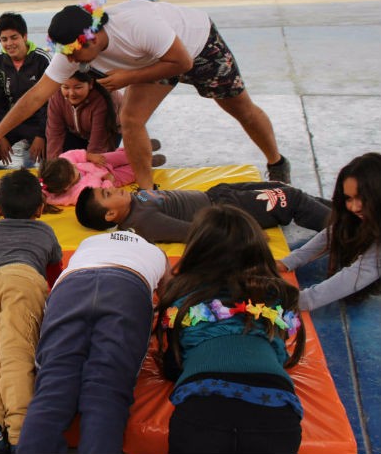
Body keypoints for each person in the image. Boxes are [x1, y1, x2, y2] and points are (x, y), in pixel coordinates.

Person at [0, 0, 291, 189]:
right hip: (150, 62)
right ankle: (148, 192)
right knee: (131, 118)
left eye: (76, 54)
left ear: (90, 39)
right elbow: (37, 94)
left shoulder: (136, 25)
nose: (72, 62)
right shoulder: (72, 51)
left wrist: (128, 78)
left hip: (196, 46)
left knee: (240, 109)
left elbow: (182, 61)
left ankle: (276, 161)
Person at [155, 205, 305, 454]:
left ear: (196, 252)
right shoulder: (272, 297)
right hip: (275, 410)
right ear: (259, 252)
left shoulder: (184, 300)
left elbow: (174, 366)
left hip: (203, 409)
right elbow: (280, 356)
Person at [18, 230, 170, 454]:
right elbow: (170, 292)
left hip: (72, 287)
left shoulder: (88, 242)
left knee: (54, 384)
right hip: (127, 288)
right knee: (107, 387)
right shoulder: (157, 252)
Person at [0, 170, 62, 454]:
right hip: (23, 280)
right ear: (41, 208)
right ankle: (21, 434)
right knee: (17, 356)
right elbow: (53, 275)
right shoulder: (45, 231)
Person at [278, 152, 381, 310]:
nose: (354, 207)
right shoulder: (363, 213)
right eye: (348, 198)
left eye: (362, 198)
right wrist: (288, 262)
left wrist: (298, 300)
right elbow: (335, 232)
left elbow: (361, 271)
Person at [75, 181, 331, 243]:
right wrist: (245, 234)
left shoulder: (133, 201)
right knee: (291, 199)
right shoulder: (144, 221)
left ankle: (348, 213)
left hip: (217, 194)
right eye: (107, 195)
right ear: (110, 216)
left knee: (283, 189)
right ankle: (350, 232)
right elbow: (195, 232)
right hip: (226, 210)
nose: (112, 188)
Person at [0, 13, 52, 166]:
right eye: (4, 39)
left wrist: (41, 135)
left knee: (53, 153)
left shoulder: (42, 60)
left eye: (14, 37)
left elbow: (51, 102)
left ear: (24, 36)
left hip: (39, 124)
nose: (9, 43)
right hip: (11, 124)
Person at [45, 70, 123, 160]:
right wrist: (53, 165)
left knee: (99, 163)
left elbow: (97, 145)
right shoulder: (56, 97)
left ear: (90, 84)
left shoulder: (103, 100)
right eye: (66, 87)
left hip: (109, 132)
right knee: (66, 162)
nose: (71, 93)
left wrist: (90, 167)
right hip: (75, 132)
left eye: (78, 87)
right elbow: (54, 135)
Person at [38, 148, 135, 207]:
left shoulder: (62, 165)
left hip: (98, 162)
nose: (75, 166)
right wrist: (108, 182)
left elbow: (71, 155)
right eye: (73, 170)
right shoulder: (79, 193)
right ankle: (143, 164)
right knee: (135, 171)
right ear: (67, 186)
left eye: (71, 165)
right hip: (109, 178)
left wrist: (89, 156)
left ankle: (139, 151)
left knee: (126, 155)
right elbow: (100, 194)